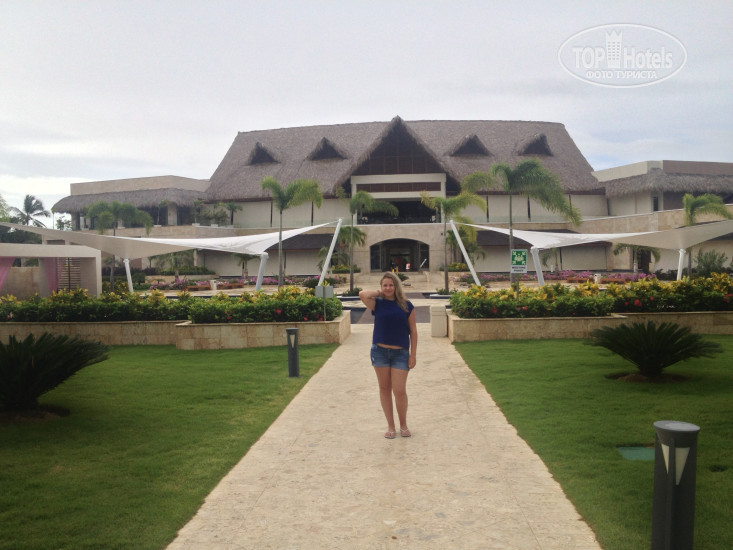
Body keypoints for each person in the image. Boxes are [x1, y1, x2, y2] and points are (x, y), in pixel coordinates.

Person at [359, 272, 418, 439]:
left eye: (391, 285)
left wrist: (413, 355)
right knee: (384, 388)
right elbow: (362, 294)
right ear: (381, 287)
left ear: (396, 286)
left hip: (401, 353)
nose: (388, 288)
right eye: (385, 285)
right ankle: (391, 426)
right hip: (380, 352)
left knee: (399, 390)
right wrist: (380, 293)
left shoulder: (406, 305)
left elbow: (413, 331)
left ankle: (403, 425)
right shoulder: (377, 303)